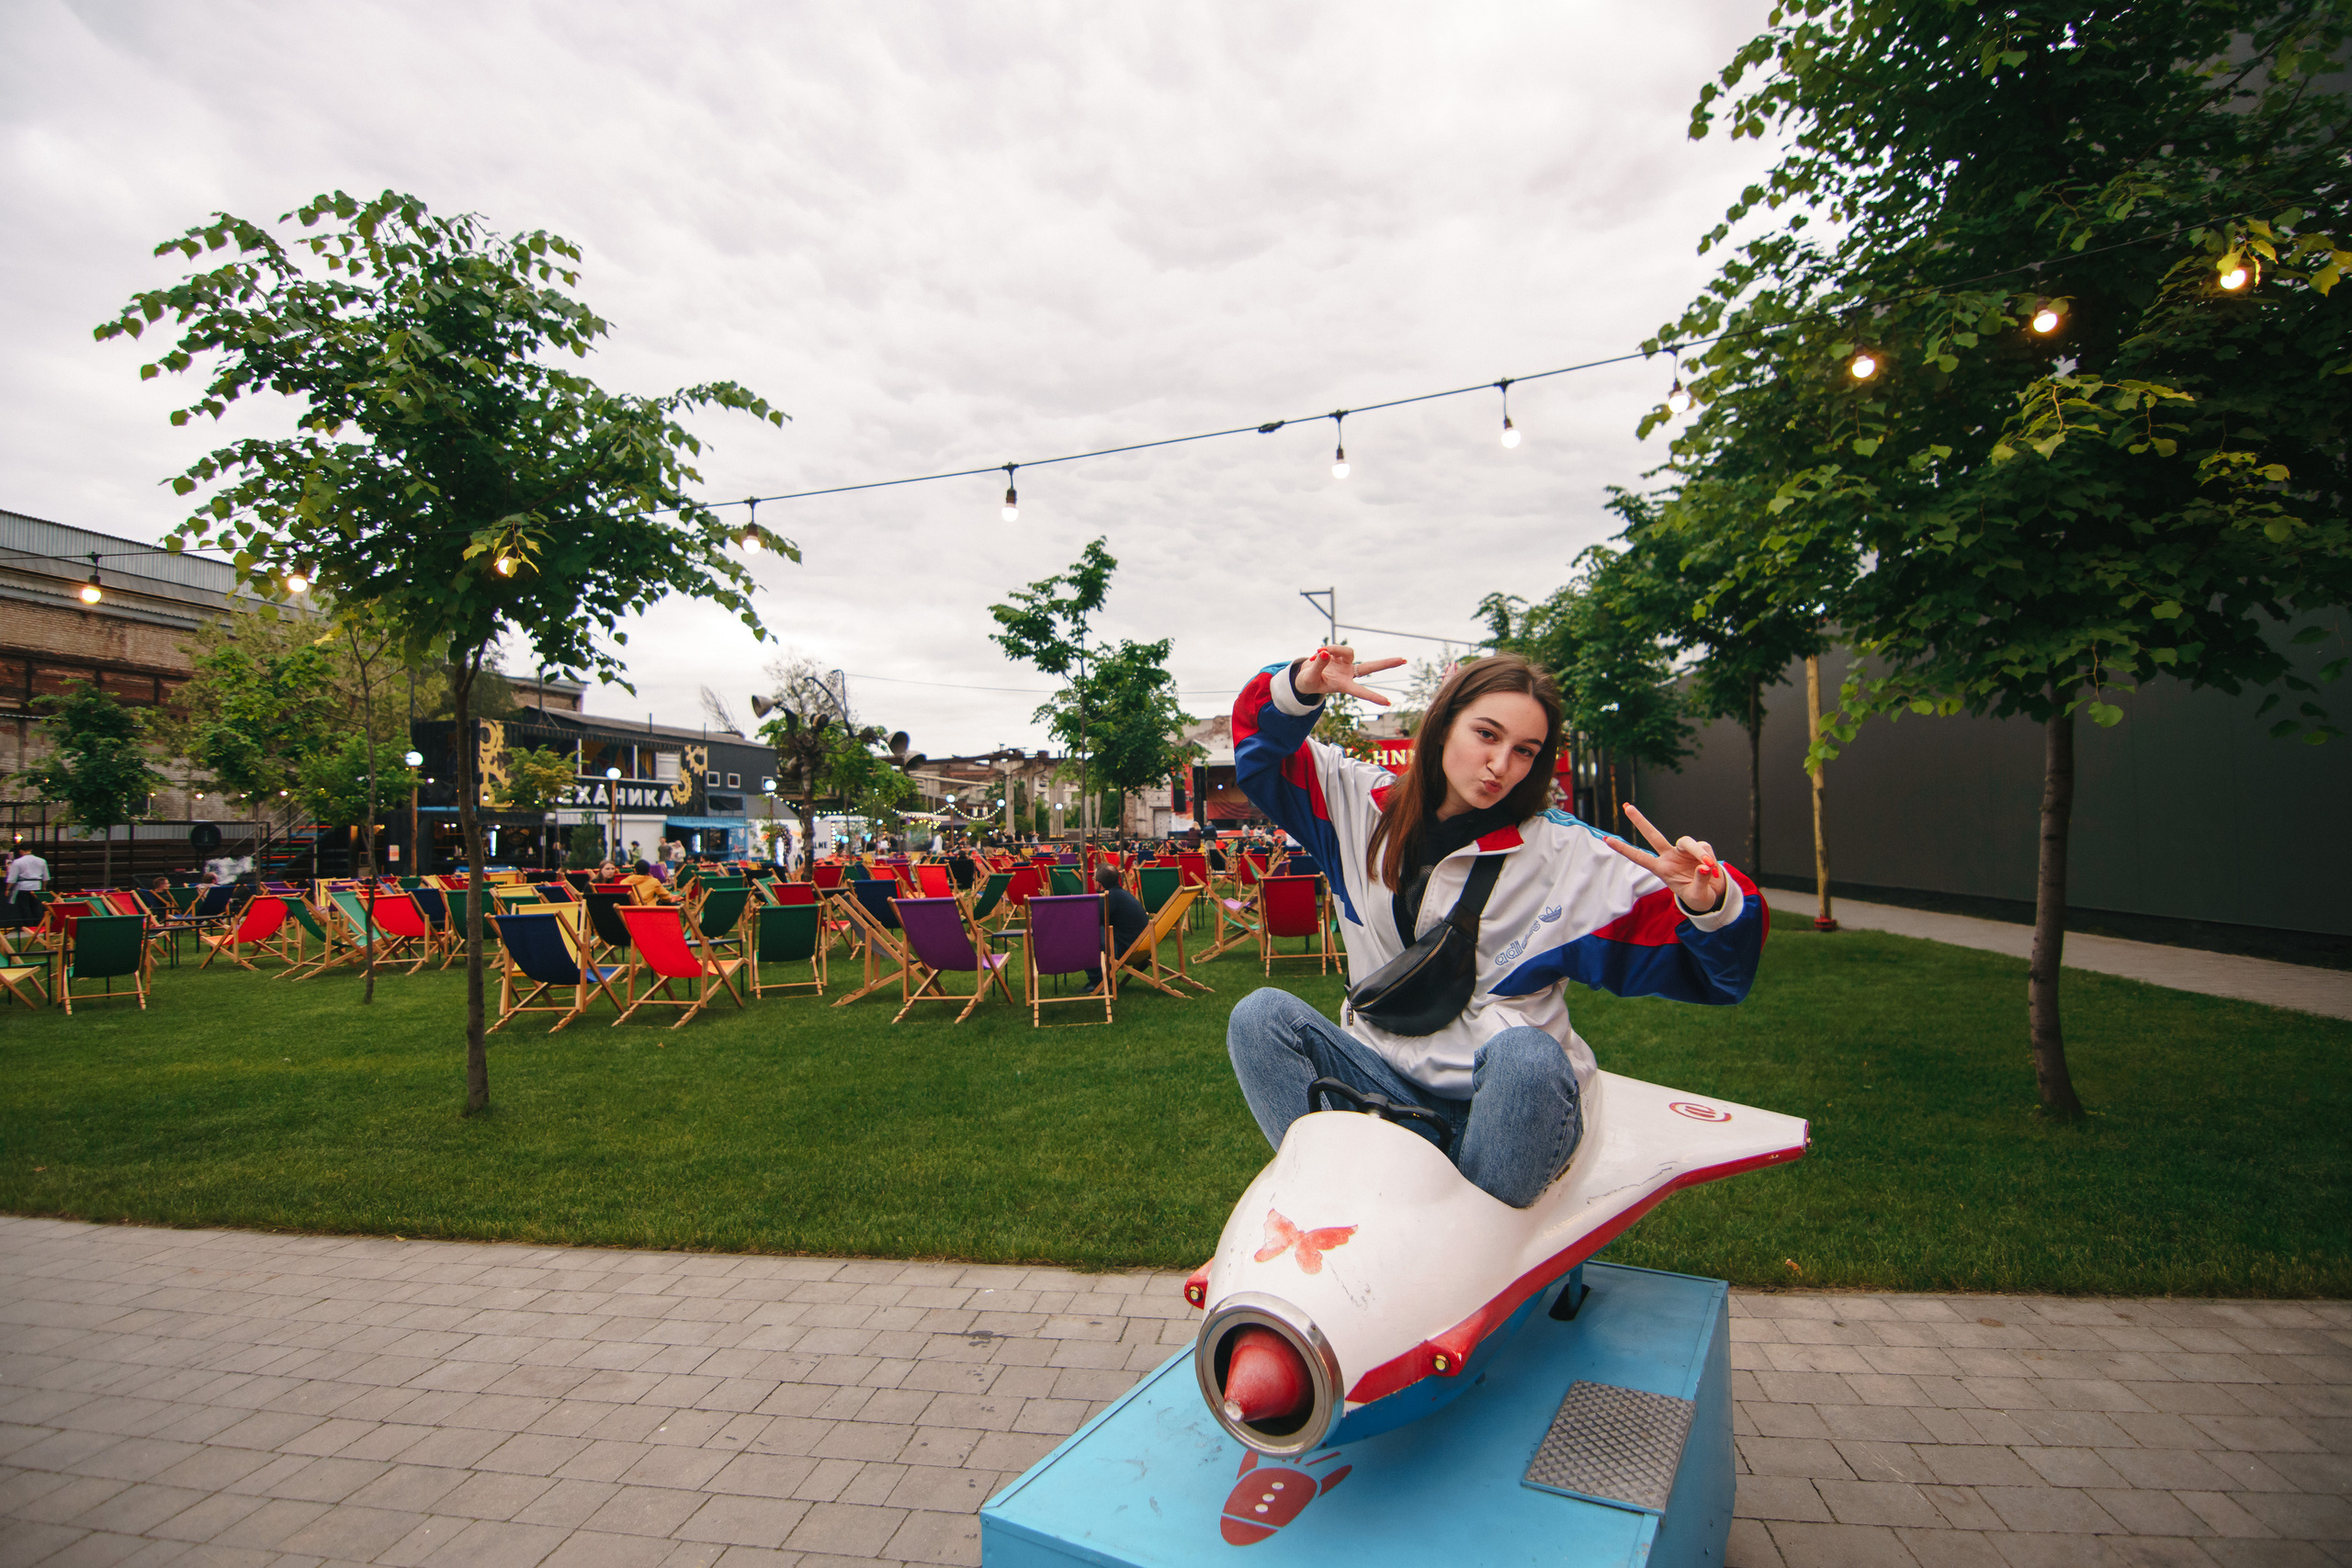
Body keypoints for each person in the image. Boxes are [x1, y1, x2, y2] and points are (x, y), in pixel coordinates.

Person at [1225, 647, 1762, 1209]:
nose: (1501, 765)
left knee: (1525, 1057)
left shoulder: (1566, 854)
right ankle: (1325, 1200)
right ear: (1441, 724)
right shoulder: (1358, 803)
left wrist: (1710, 904)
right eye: (1486, 734)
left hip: (1513, 1110)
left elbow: (1719, 973)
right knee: (1260, 1016)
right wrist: (1300, 688)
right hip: (1382, 1082)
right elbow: (1258, 751)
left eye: (1525, 751)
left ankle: (1460, 1229)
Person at [1085, 864, 1148, 993]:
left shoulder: (1107, 898)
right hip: (1143, 947)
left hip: (1126, 949)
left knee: (1087, 932)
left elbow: (1090, 922)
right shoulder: (1122, 894)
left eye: (1093, 879)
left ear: (1099, 883)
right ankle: (1102, 979)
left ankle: (1099, 981)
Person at [5, 845, 48, 926]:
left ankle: (28, 925)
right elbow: (45, 877)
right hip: (37, 886)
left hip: (23, 886)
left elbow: (12, 878)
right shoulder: (41, 861)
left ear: (21, 851)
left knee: (24, 907)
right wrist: (43, 887)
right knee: (37, 906)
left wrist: (8, 889)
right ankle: (38, 924)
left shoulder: (18, 862)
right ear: (31, 850)